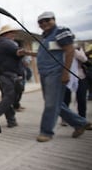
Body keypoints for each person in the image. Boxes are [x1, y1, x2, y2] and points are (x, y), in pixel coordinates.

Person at [35, 11, 91, 142]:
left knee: (51, 104)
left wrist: (65, 73)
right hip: (45, 74)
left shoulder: (61, 31)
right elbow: (45, 53)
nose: (44, 23)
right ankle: (80, 123)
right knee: (55, 103)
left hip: (55, 73)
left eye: (47, 20)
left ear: (54, 19)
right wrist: (27, 52)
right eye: (41, 22)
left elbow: (70, 50)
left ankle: (46, 132)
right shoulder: (45, 36)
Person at [0, 25, 35, 128]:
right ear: (8, 34)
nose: (14, 35)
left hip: (4, 75)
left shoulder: (1, 43)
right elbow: (19, 52)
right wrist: (34, 53)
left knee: (7, 98)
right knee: (9, 98)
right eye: (12, 33)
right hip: (8, 75)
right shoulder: (7, 42)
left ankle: (11, 121)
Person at [62, 45, 89, 118]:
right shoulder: (61, 52)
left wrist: (77, 51)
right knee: (66, 100)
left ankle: (82, 119)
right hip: (66, 78)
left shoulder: (76, 51)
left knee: (81, 99)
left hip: (80, 77)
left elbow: (84, 60)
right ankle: (65, 118)